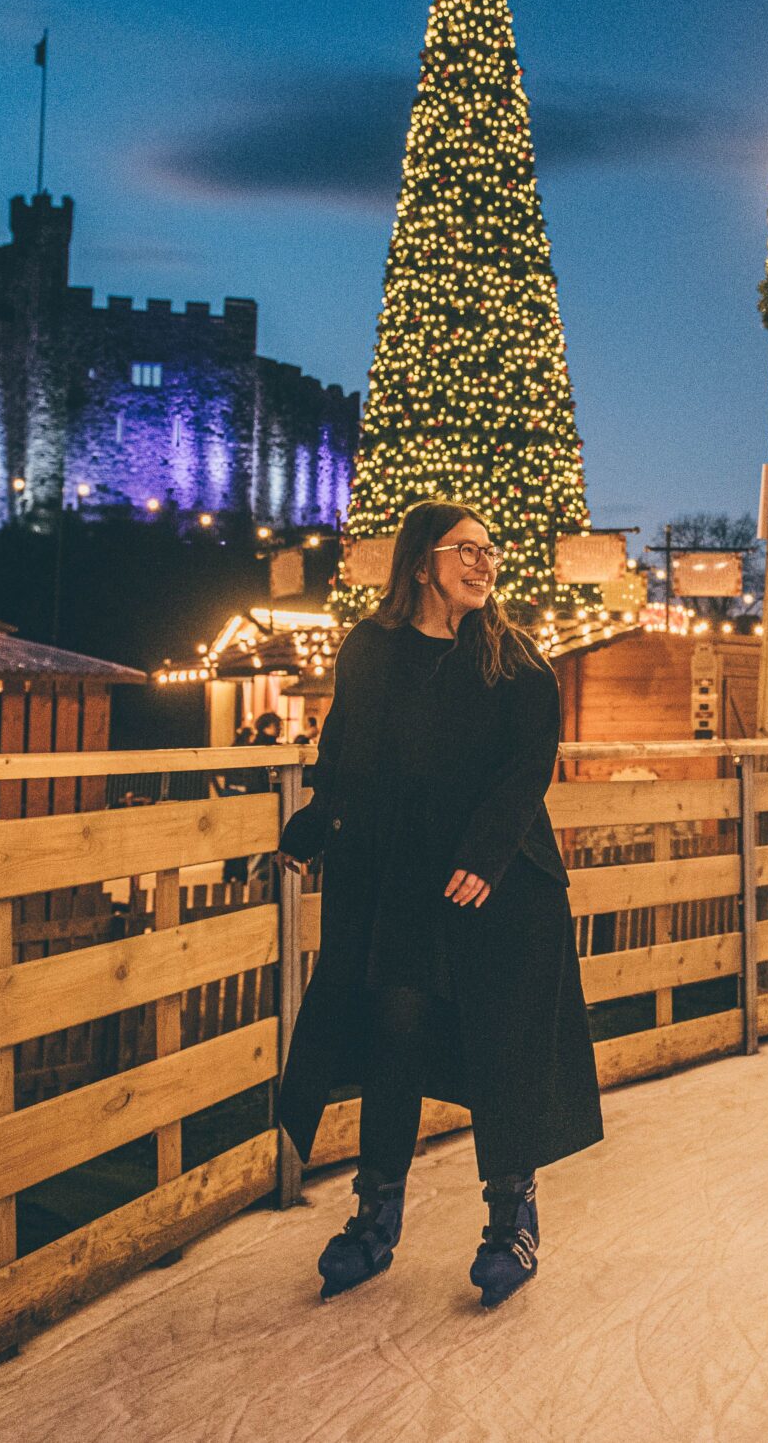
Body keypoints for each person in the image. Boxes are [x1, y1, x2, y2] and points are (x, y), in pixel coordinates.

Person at [274, 501, 602, 1308]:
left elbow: (529, 768)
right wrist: (315, 821)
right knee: (396, 1027)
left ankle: (510, 1222)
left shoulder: (514, 660)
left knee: (501, 1043)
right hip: (405, 884)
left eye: (492, 550)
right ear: (422, 562)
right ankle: (374, 1217)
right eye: (467, 549)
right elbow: (345, 748)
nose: (485, 563)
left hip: (501, 884)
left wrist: (484, 856)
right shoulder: (371, 651)